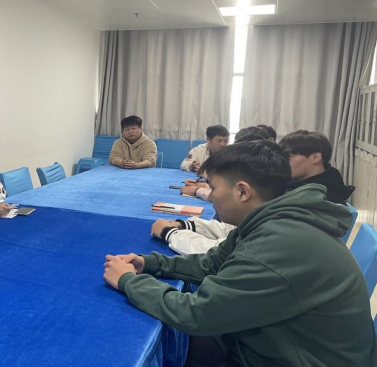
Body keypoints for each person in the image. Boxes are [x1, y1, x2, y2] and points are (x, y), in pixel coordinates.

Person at [103, 141, 376, 367]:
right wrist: (150, 263)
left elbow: (197, 313)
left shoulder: (276, 245)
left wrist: (129, 281)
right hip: (277, 343)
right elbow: (211, 263)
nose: (209, 195)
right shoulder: (270, 220)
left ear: (242, 191)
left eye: (213, 188)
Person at [156, 129, 354, 255]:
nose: (284, 163)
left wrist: (171, 233)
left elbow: (232, 253)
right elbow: (241, 235)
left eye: (289, 157)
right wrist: (188, 225)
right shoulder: (301, 193)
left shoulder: (305, 204)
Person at [279, 130, 355, 204]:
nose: (283, 162)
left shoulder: (323, 199)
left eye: (288, 157)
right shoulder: (294, 183)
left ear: (315, 157)